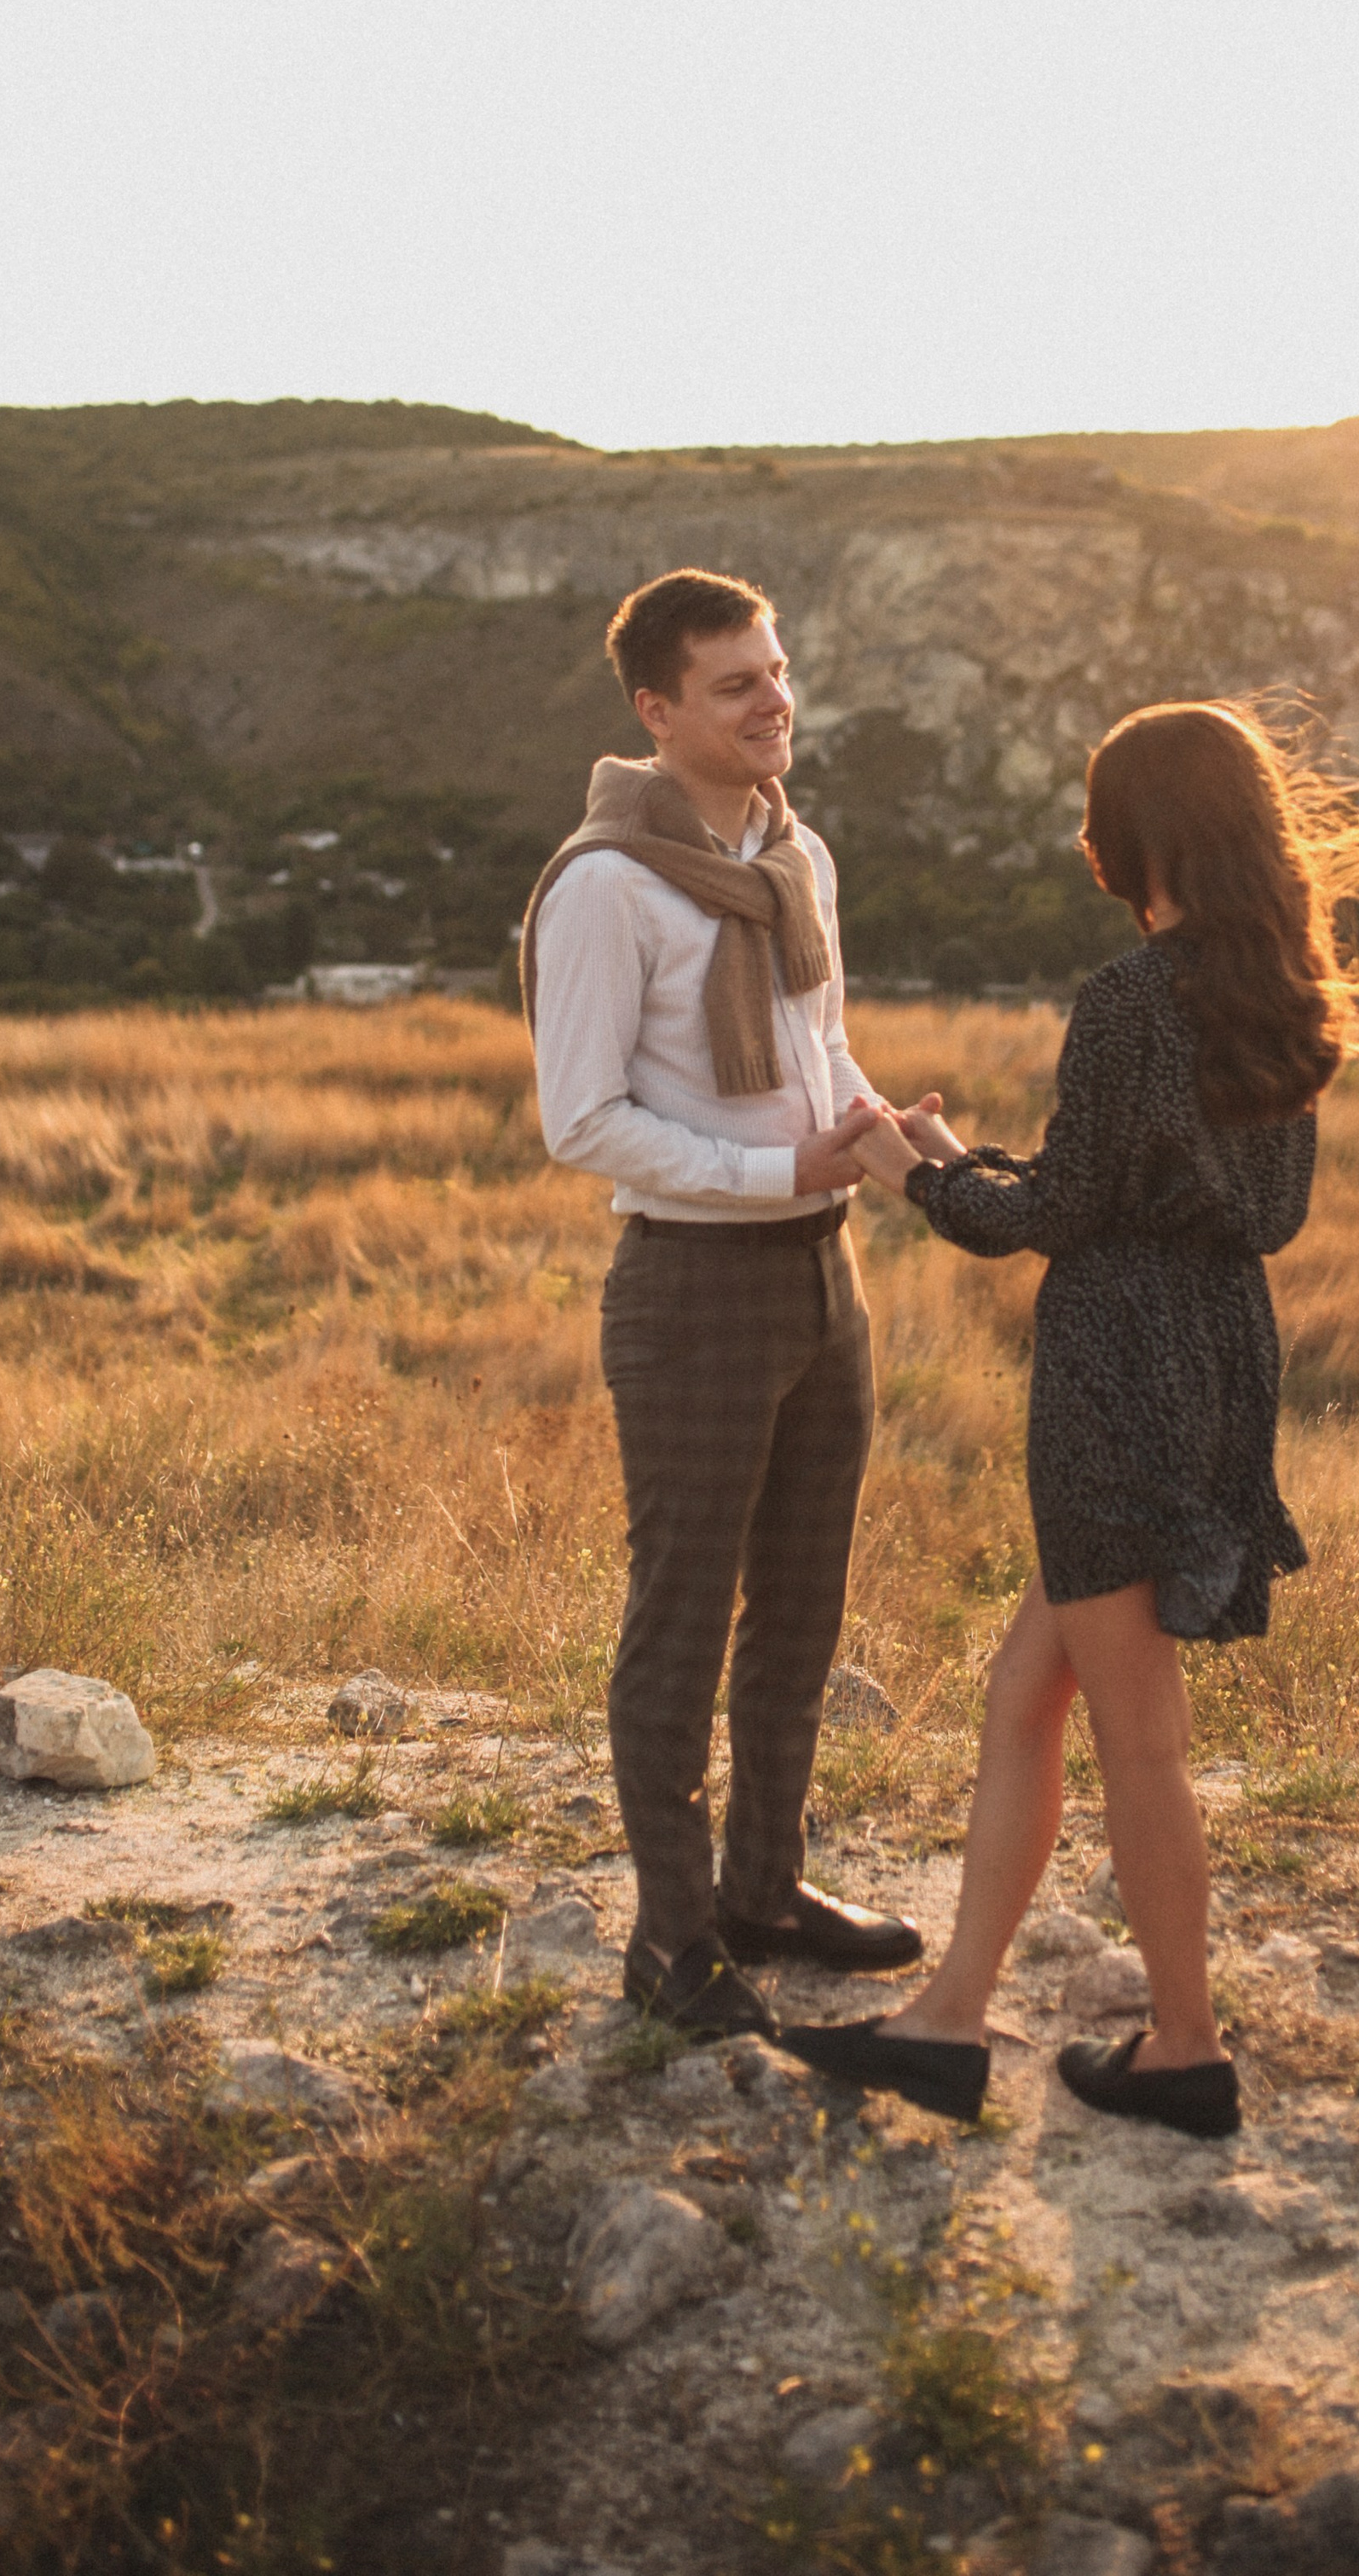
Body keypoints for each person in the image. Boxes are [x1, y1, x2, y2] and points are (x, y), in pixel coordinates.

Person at [778, 699, 1359, 2133]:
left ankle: (1187, 2052)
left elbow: (1058, 1221)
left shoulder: (1131, 996)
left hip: (1115, 1376)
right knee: (1025, 1694)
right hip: (1220, 1356)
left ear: (1126, 836)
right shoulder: (1276, 986)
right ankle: (951, 2018)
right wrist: (959, 1154)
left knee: (1139, 1741)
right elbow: (1114, 1188)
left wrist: (910, 1176)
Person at [522, 566, 928, 2039]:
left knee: (803, 1609)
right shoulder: (605, 887)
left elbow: (824, 1049)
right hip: (693, 1287)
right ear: (657, 710)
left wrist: (889, 1134)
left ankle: (765, 1891)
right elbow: (581, 1121)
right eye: (737, 683)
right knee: (683, 1620)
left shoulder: (796, 855)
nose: (775, 702)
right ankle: (671, 1941)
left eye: (779, 671)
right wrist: (774, 1175)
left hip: (827, 1271)